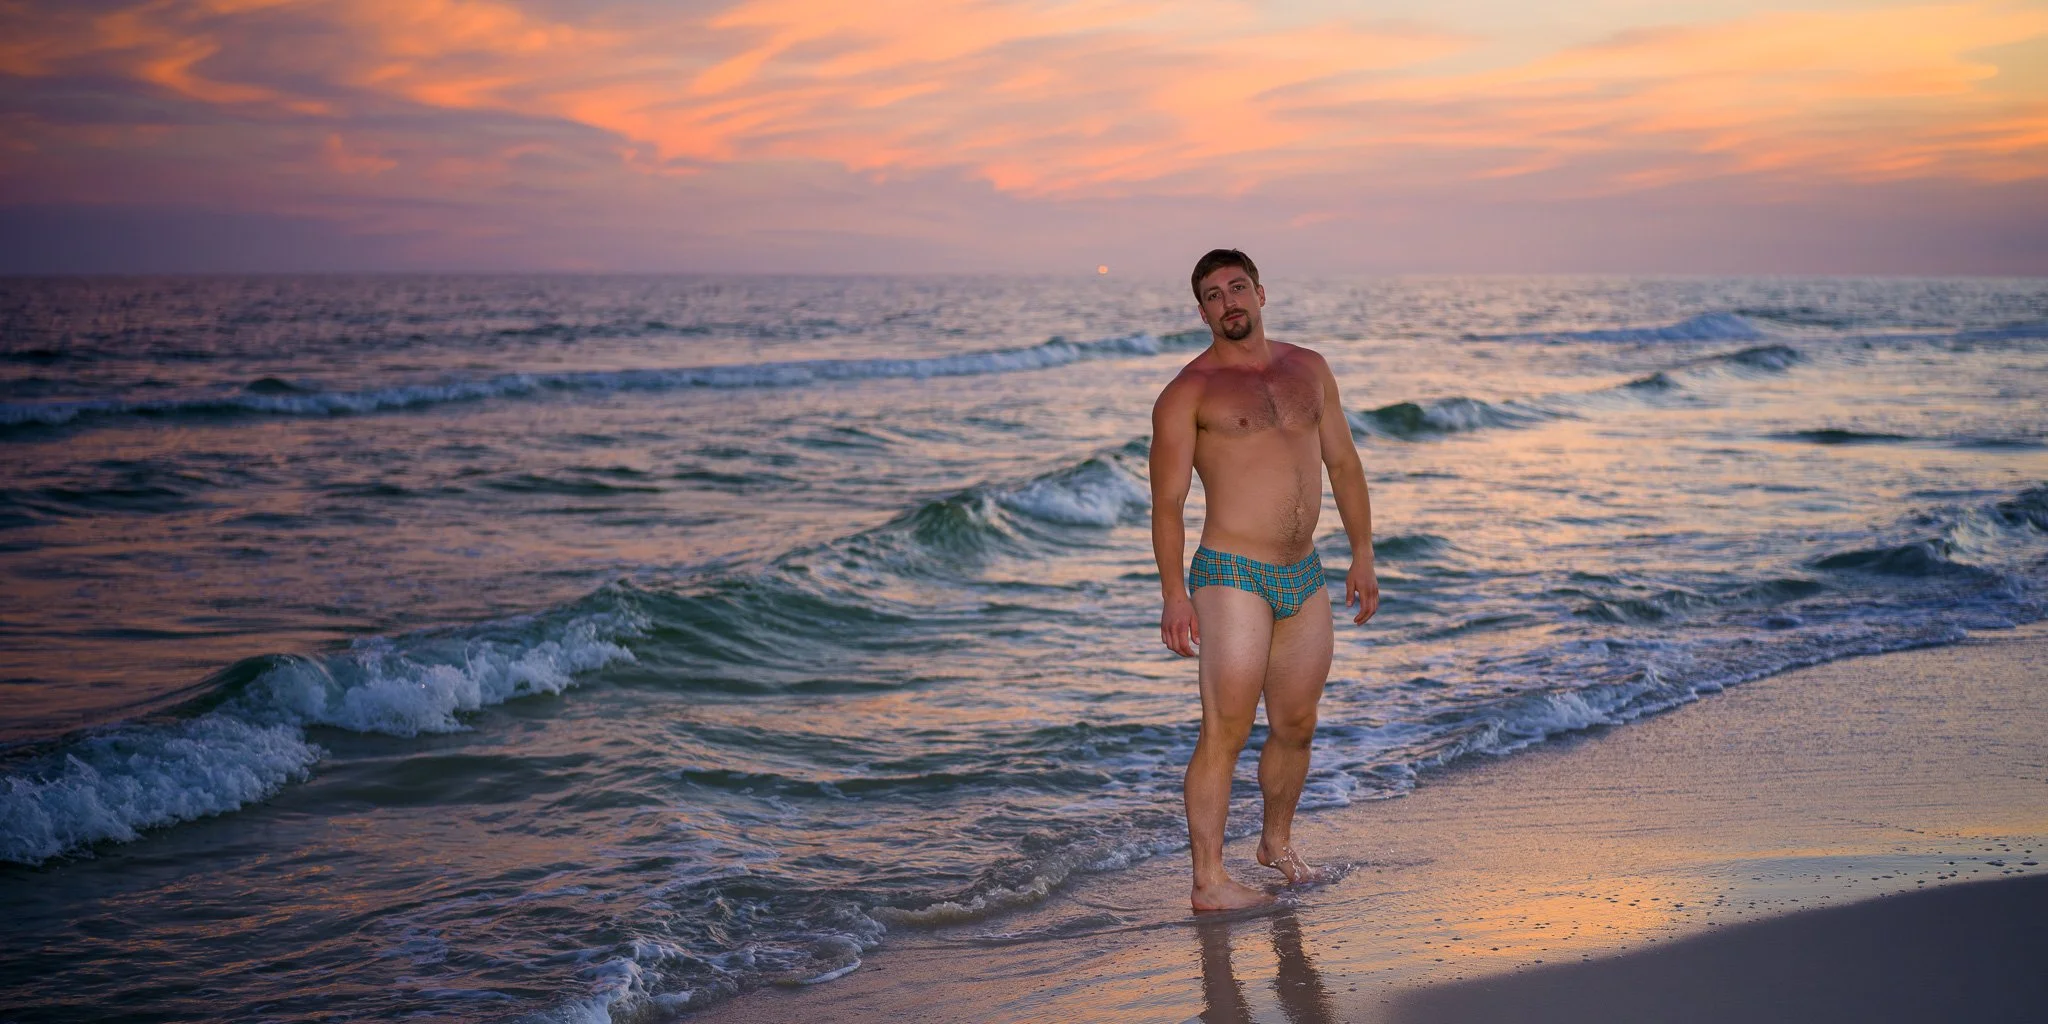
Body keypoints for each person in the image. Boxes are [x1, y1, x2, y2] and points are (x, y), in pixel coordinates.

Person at [1150, 248, 1379, 912]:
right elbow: (1167, 504)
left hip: (1304, 573)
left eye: (1238, 287)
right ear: (1202, 312)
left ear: (1260, 292)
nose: (1229, 302)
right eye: (1214, 295)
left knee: (1297, 723)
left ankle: (1275, 843)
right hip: (1232, 574)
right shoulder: (1188, 393)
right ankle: (1208, 880)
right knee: (1226, 727)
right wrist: (1174, 594)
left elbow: (1344, 463)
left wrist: (1362, 552)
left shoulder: (1309, 369)